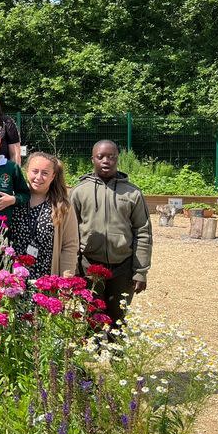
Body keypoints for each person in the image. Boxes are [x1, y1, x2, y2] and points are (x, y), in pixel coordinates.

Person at [70, 140, 153, 326]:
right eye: (100, 157)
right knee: (92, 320)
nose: (106, 161)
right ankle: (93, 354)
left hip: (123, 267)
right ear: (93, 159)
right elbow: (70, 234)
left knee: (118, 320)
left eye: (111, 157)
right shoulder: (79, 192)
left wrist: (140, 272)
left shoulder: (133, 193)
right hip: (89, 266)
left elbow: (143, 232)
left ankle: (116, 354)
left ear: (117, 159)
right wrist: (74, 269)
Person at [11, 152, 78, 280]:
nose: (38, 177)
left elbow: (69, 245)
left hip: (45, 282)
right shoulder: (14, 200)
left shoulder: (62, 206)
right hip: (13, 279)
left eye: (45, 173)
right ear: (26, 172)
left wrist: (66, 280)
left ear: (53, 176)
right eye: (35, 171)